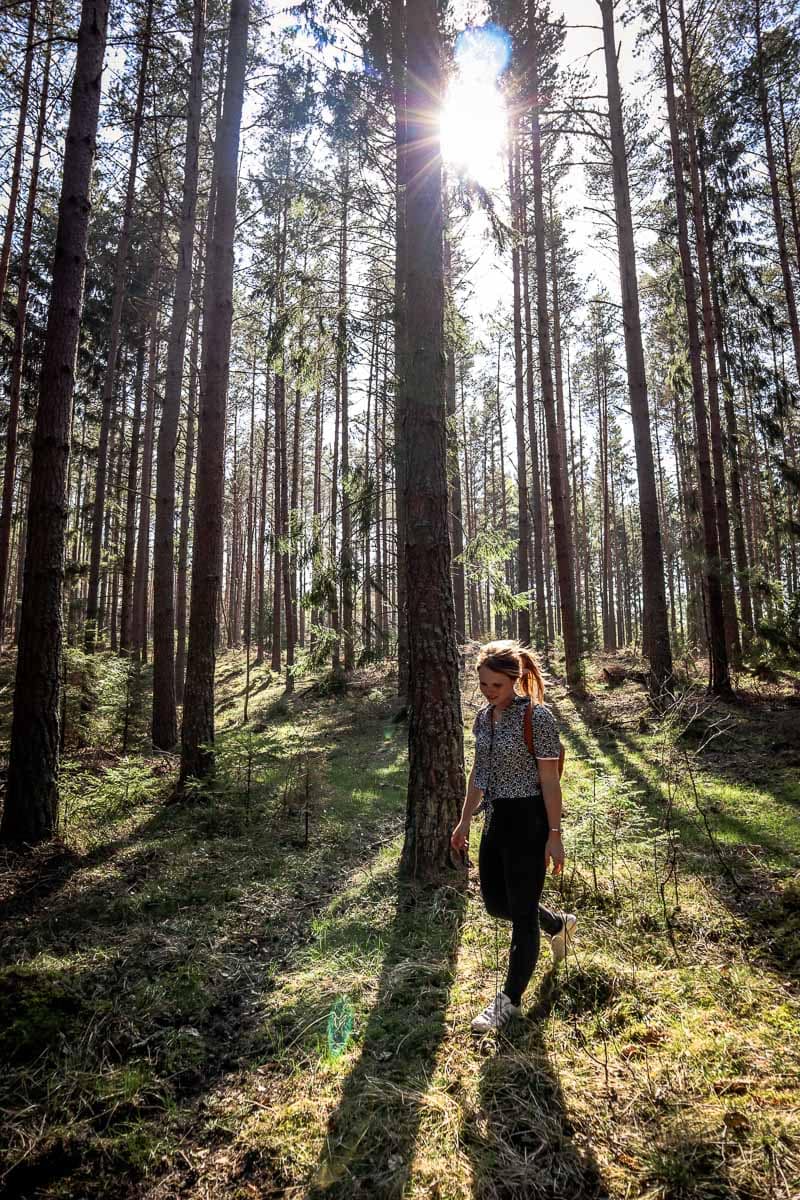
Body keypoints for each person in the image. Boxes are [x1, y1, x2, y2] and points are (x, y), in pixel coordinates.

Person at [451, 639, 577, 1033]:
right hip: (496, 818)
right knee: (496, 903)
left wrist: (554, 834)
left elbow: (549, 779)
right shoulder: (483, 719)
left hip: (529, 820)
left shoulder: (537, 717)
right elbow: (478, 775)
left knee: (521, 914)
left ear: (515, 680)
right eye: (484, 685)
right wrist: (463, 820)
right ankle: (558, 924)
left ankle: (508, 1001)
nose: (490, 693)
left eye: (497, 686)